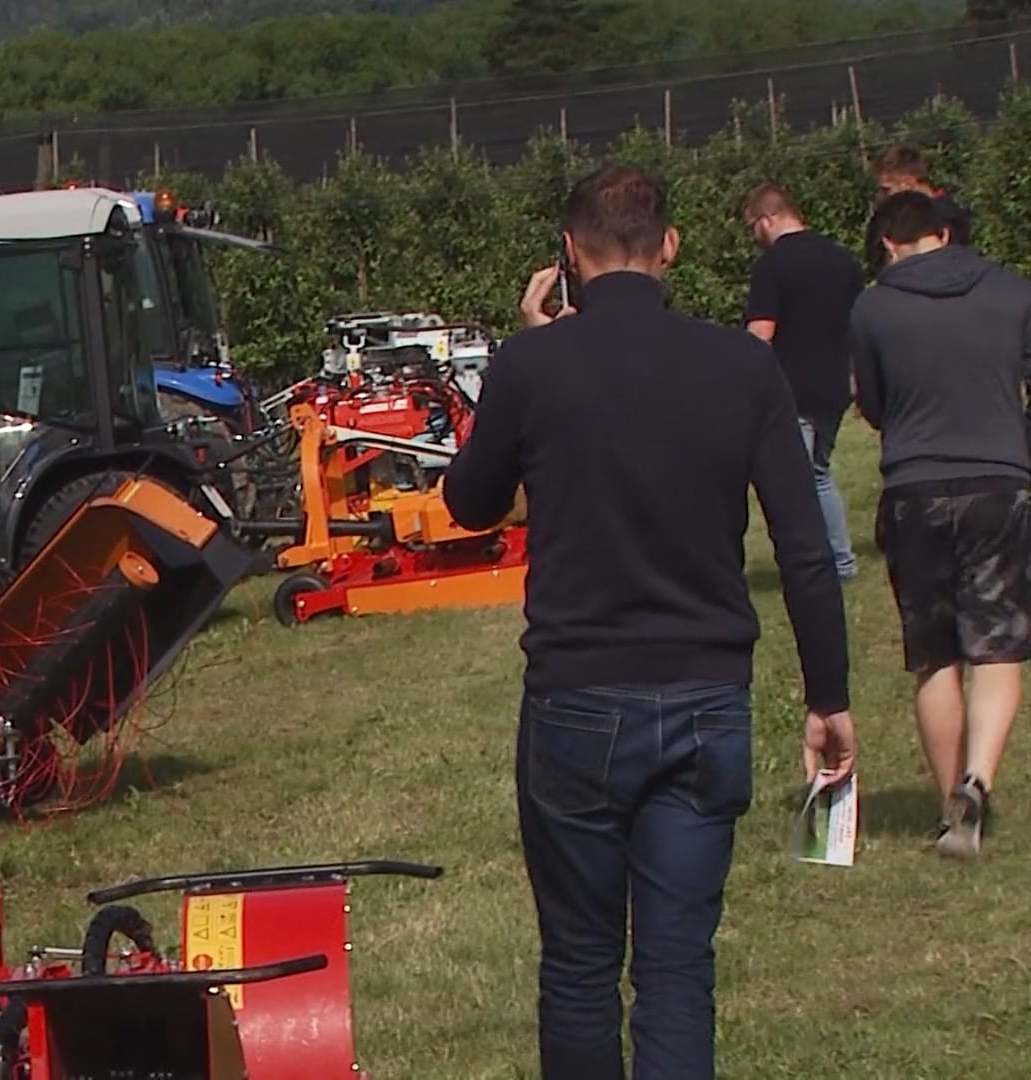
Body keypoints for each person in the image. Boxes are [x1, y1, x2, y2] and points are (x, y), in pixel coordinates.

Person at [441, 164, 856, 1080]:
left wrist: (527, 356)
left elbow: (470, 503)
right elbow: (803, 549)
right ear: (669, 248)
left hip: (577, 695)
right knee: (676, 970)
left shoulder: (531, 365)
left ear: (569, 256)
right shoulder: (742, 364)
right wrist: (828, 694)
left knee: (583, 964)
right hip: (708, 696)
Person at [851, 191, 1031, 860]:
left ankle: (949, 803)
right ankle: (981, 775)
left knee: (934, 653)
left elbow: (871, 404)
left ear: (892, 244)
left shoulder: (873, 307)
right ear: (946, 233)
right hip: (998, 481)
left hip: (915, 486)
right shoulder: (1012, 293)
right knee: (998, 643)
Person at [742, 184, 865, 581]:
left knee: (793, 486)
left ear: (768, 218)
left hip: (790, 391)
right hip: (834, 387)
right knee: (818, 474)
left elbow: (760, 334)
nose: (754, 237)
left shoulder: (773, 266)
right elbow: (858, 325)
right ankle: (840, 559)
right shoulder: (841, 259)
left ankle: (813, 564)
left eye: (752, 227)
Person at [866, 144, 972, 274]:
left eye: (886, 189)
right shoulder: (898, 214)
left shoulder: (947, 219)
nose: (882, 197)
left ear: (908, 183)